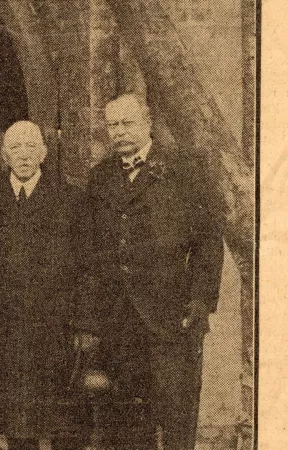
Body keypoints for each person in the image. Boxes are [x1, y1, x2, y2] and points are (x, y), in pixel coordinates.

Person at [75, 93, 224, 449]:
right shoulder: (100, 178)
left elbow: (207, 243)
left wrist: (200, 303)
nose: (120, 132)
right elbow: (89, 254)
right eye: (113, 125)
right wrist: (90, 319)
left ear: (148, 124)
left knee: (176, 417)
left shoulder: (183, 171)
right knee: (124, 420)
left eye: (128, 123)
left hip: (171, 318)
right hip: (118, 321)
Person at [0, 122, 86, 450]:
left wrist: (81, 321)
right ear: (4, 156)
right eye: (16, 148)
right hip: (6, 323)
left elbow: (86, 266)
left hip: (54, 322)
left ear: (43, 152)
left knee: (61, 416)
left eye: (31, 147)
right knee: (16, 416)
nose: (24, 155)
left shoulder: (69, 199)